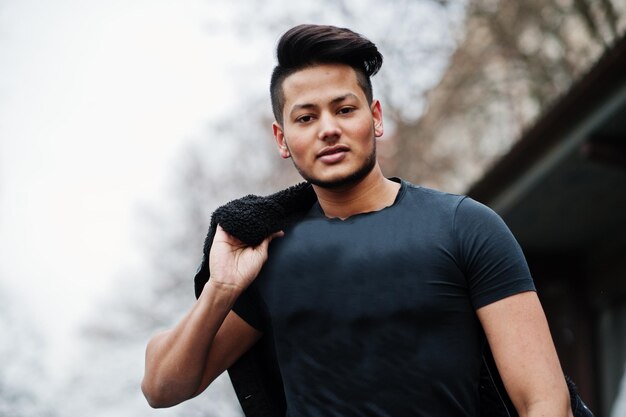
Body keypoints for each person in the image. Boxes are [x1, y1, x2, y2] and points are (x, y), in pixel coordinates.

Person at [141, 24, 573, 416]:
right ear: (282, 139)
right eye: (306, 118)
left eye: (344, 109)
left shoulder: (464, 226)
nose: (328, 129)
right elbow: (162, 388)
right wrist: (221, 289)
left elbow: (544, 401)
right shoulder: (268, 252)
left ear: (376, 117)